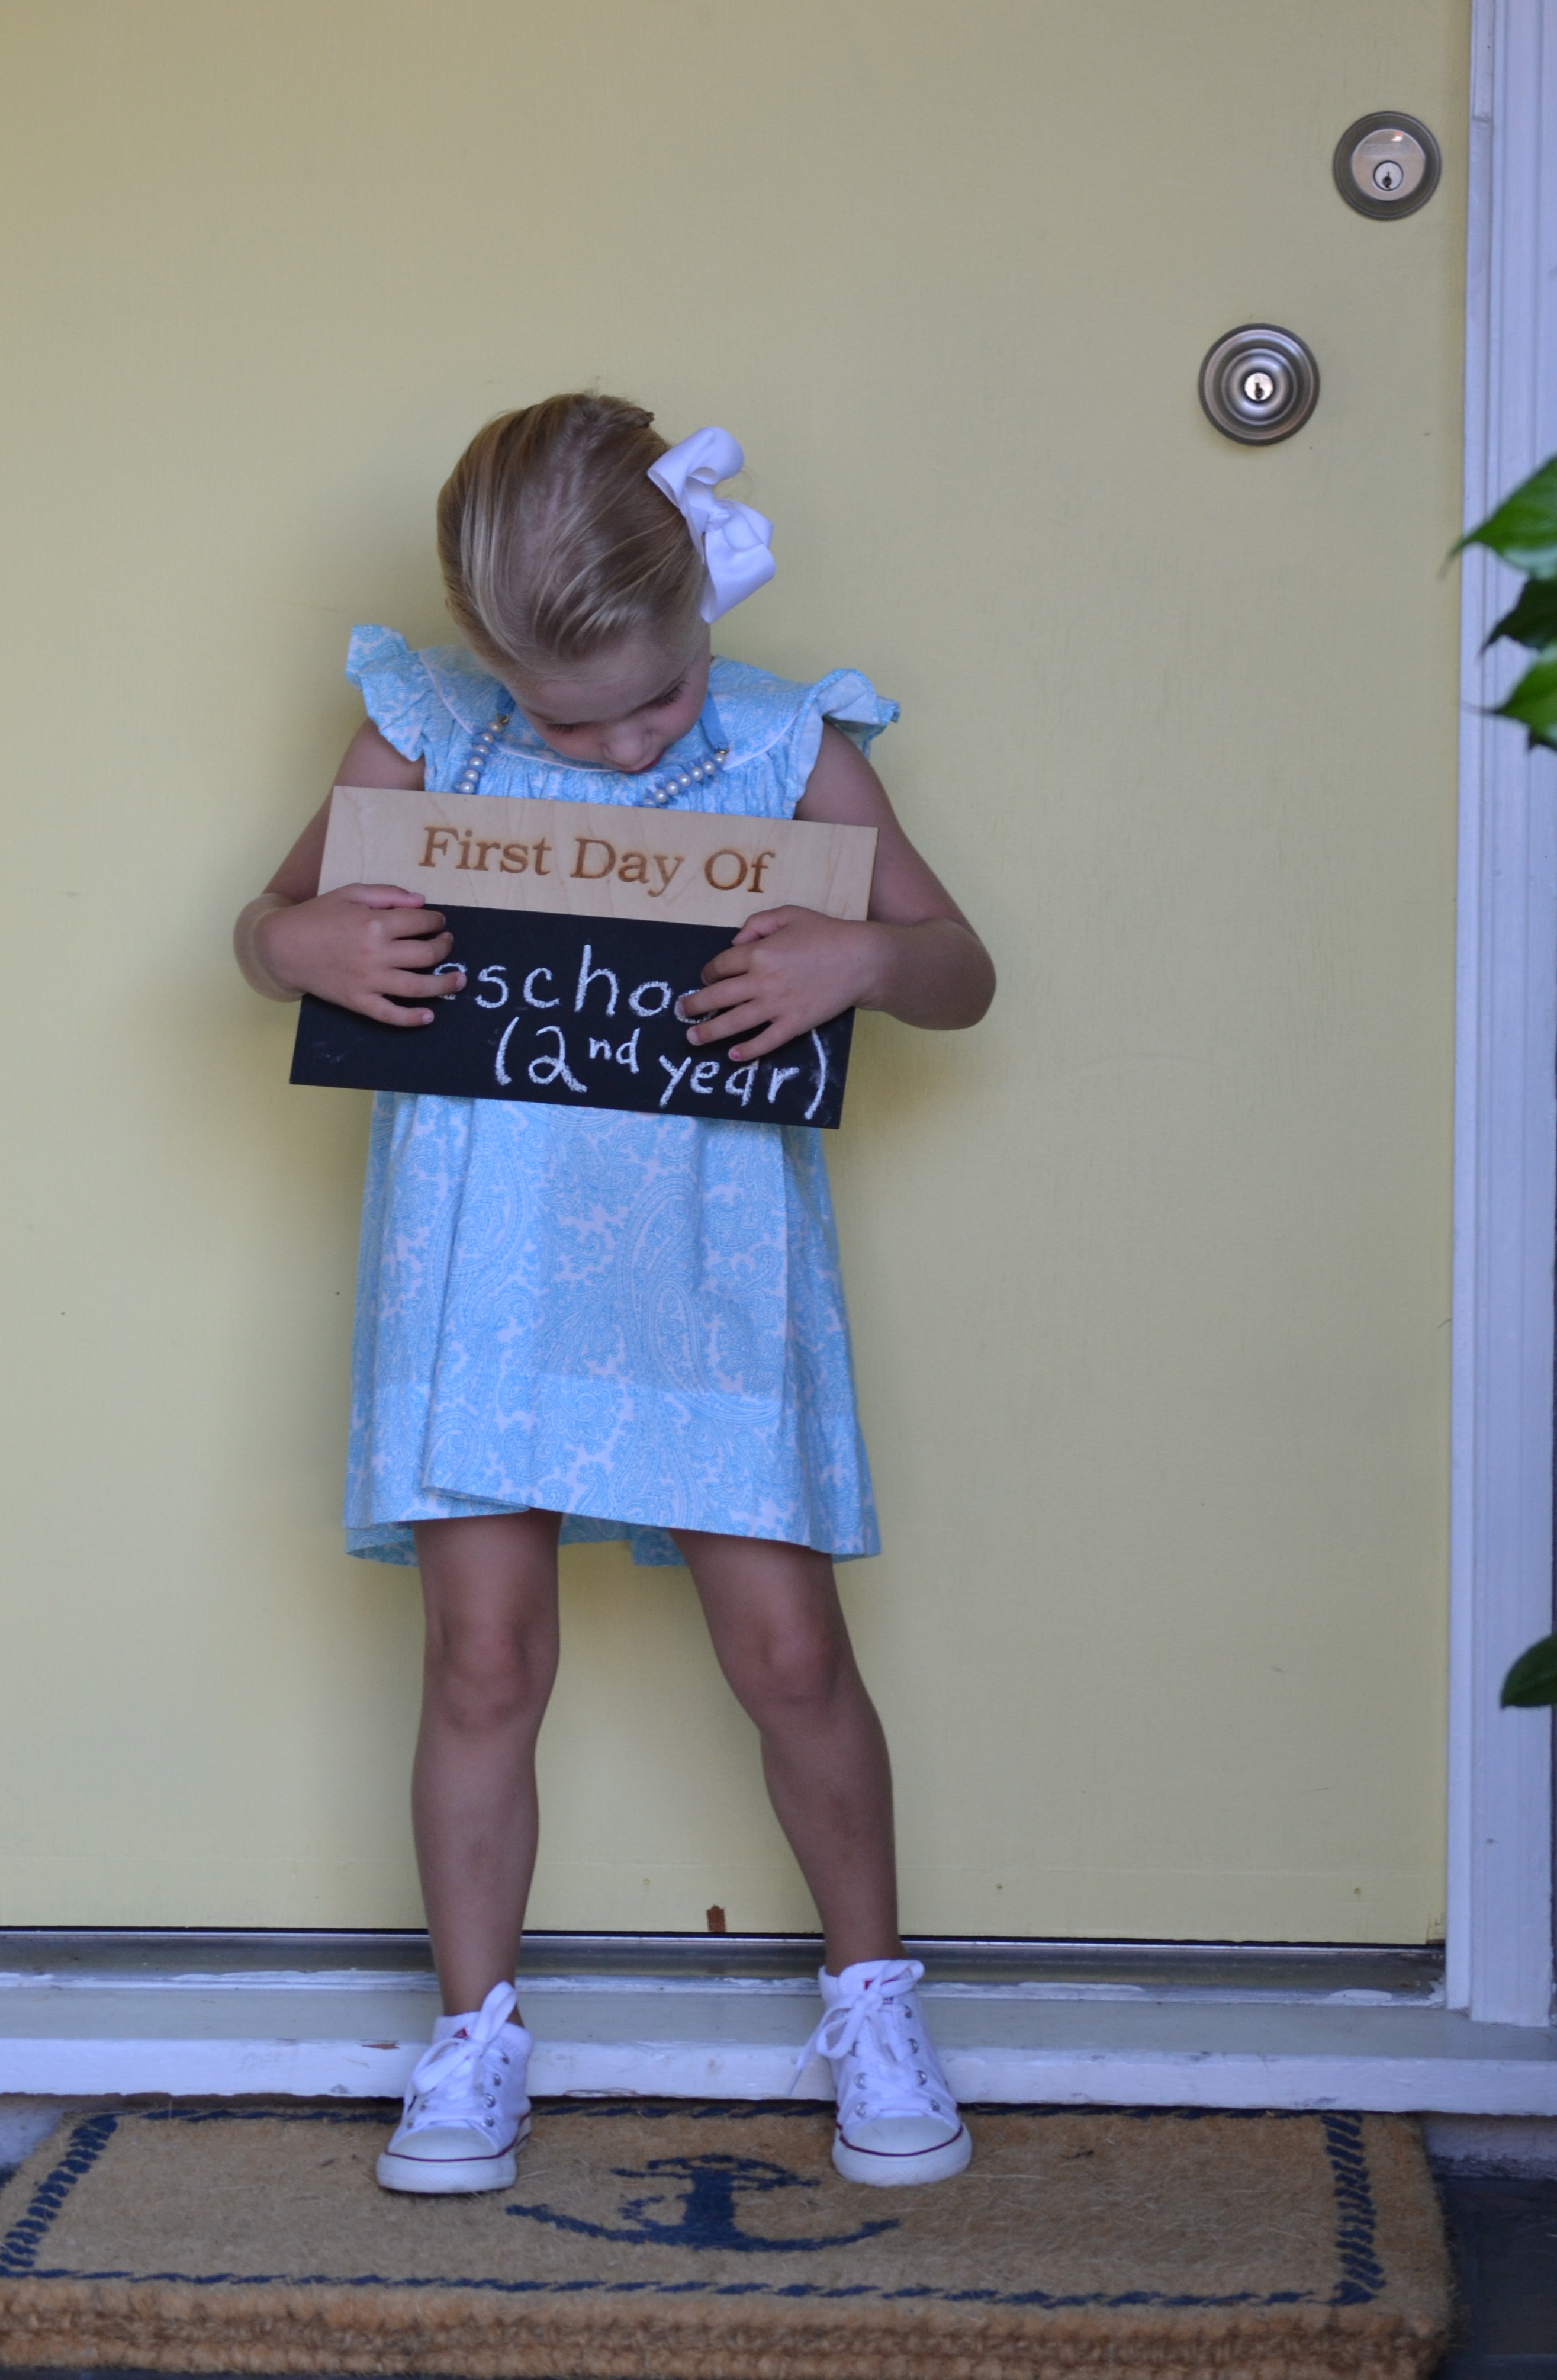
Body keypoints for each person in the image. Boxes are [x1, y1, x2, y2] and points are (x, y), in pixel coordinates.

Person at [234, 394, 996, 2201]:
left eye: (651, 703)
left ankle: (873, 1996)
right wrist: (301, 941)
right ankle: (473, 2030)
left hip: (708, 1274)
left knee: (790, 1654)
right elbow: (264, 926)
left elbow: (963, 971)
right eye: (570, 723)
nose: (622, 745)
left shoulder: (785, 747)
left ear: (701, 607)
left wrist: (862, 960)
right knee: (483, 1656)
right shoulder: (426, 737)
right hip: (483, 1276)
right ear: (488, 659)